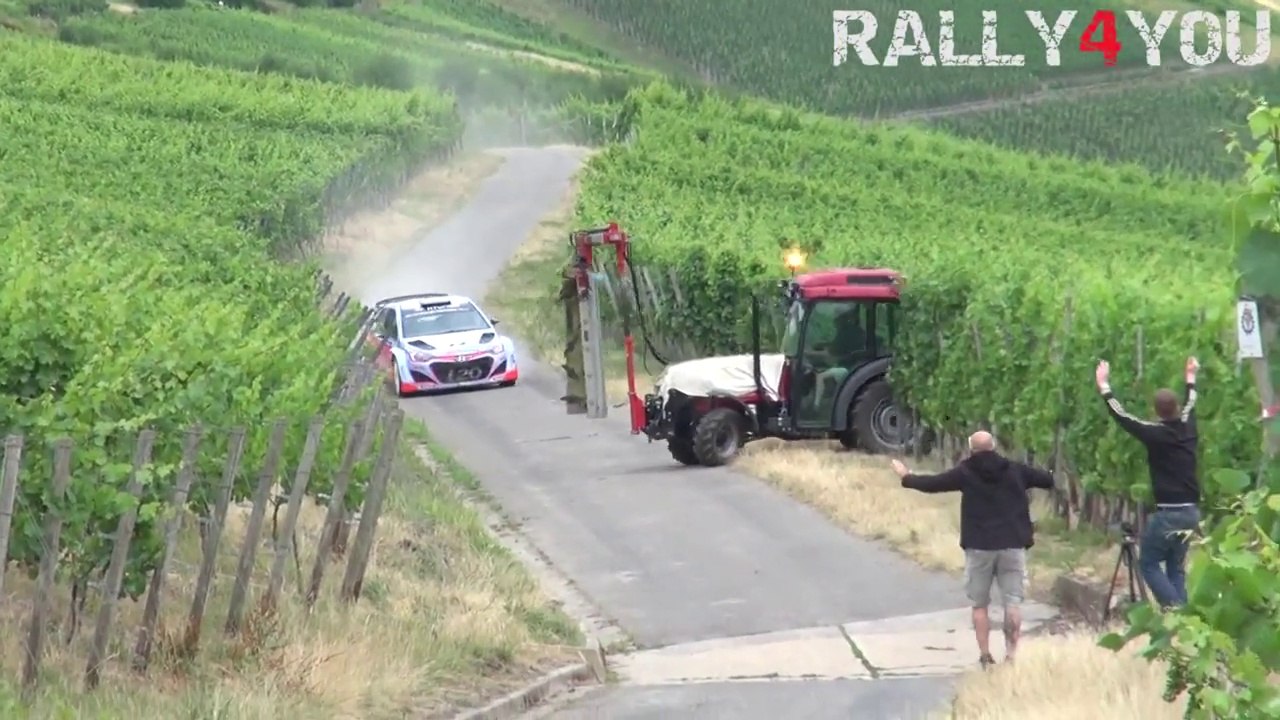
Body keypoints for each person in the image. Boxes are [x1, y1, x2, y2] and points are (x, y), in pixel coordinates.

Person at [890, 431, 1054, 668]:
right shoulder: (1015, 470)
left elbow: (933, 484)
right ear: (994, 446)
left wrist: (906, 477)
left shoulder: (965, 472)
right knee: (1013, 603)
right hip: (1012, 544)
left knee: (980, 605)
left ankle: (985, 655)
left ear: (970, 448)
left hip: (979, 546)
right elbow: (1047, 480)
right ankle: (1011, 655)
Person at [1094, 356, 1200, 609]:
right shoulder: (1189, 429)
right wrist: (1191, 378)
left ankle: (1177, 610)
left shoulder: (1155, 434)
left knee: (1148, 563)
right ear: (1177, 409)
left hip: (1170, 513)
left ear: (1156, 411)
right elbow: (1192, 403)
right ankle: (1183, 624)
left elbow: (1124, 417)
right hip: (1192, 513)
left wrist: (1104, 387)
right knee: (1176, 567)